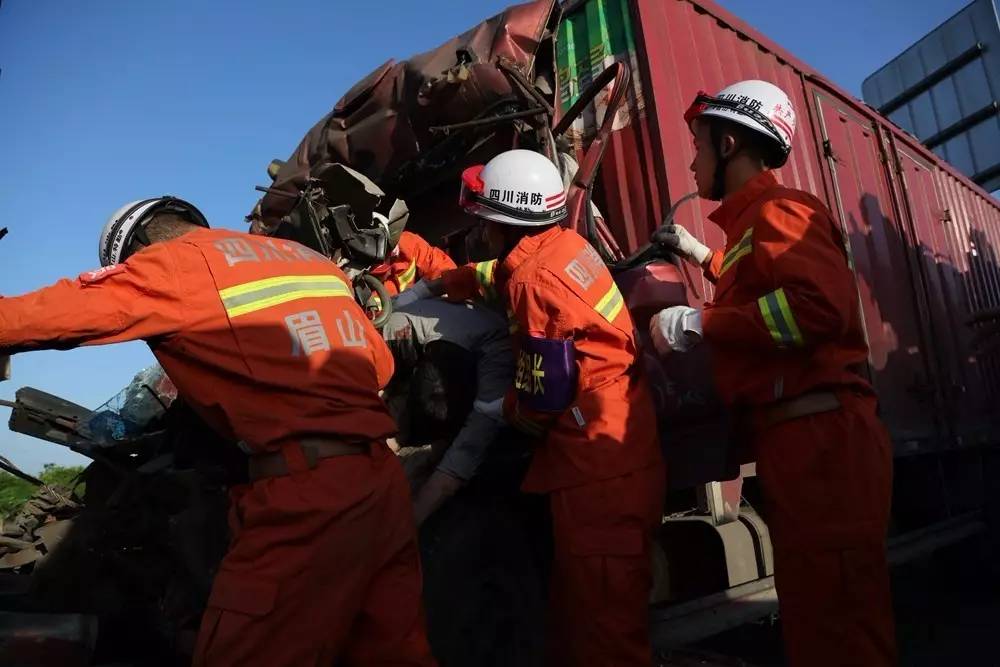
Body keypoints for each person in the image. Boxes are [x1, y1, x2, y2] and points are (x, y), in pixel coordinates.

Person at [0, 197, 436, 666]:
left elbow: (31, 318)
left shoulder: (170, 267)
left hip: (306, 494)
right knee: (390, 650)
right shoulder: (309, 261)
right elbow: (380, 367)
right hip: (381, 482)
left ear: (138, 249)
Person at [649, 80, 895, 666]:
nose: (691, 160)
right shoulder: (752, 225)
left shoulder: (781, 211)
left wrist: (699, 324)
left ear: (730, 144)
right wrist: (694, 252)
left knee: (838, 625)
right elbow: (756, 282)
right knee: (815, 620)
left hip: (823, 443)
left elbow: (814, 309)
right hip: (803, 442)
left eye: (700, 147)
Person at [457, 149, 664, 666]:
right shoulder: (563, 244)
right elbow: (499, 274)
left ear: (503, 221)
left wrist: (492, 407)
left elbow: (540, 400)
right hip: (624, 445)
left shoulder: (532, 283)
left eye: (482, 218)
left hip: (593, 472)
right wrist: (447, 280)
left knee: (604, 633)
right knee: (597, 616)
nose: (477, 230)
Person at [380, 298, 513, 523]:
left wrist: (413, 519)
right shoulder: (399, 327)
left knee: (420, 466)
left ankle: (437, 442)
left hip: (464, 377)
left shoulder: (498, 362)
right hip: (414, 350)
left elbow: (465, 453)